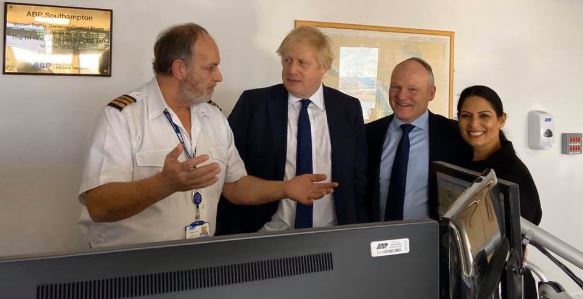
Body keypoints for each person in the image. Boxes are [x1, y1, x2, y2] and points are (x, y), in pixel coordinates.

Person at [78, 23, 337, 247]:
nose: (219, 76)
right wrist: (164, 184)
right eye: (210, 67)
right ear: (180, 69)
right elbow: (99, 206)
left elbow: (236, 186)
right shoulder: (123, 117)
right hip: (132, 266)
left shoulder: (213, 117)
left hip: (199, 260)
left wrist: (286, 188)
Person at [216, 26, 367, 234]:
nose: (292, 69)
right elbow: (228, 170)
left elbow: (358, 175)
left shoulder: (348, 109)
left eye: (302, 62)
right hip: (266, 232)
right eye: (287, 60)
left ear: (324, 66)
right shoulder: (254, 104)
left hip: (331, 234)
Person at [457, 85, 542, 298]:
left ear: (501, 120)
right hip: (471, 279)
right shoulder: (464, 163)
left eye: (484, 115)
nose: (474, 124)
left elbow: (518, 235)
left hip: (502, 285)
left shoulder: (512, 173)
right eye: (466, 116)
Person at [365, 57, 471, 222]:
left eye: (412, 89)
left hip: (433, 242)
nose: (401, 95)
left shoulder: (455, 135)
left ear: (431, 93)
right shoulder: (368, 134)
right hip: (377, 240)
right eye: (396, 87)